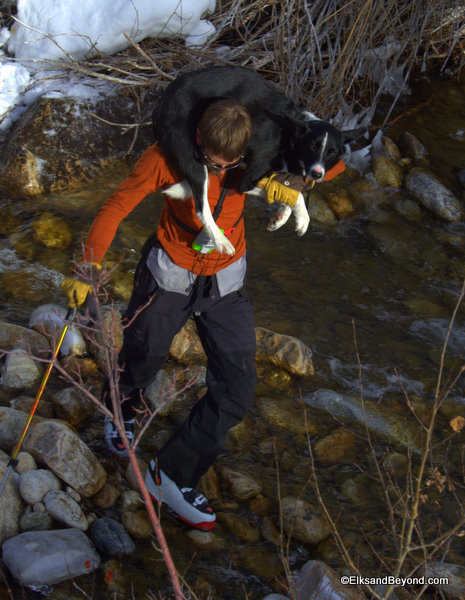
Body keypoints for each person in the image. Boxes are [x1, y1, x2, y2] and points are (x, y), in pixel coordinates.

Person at [61, 99, 257, 531]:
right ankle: (122, 407)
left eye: (231, 164)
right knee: (144, 355)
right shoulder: (164, 157)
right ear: (199, 138)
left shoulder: (260, 155)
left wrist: (299, 182)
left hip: (226, 282)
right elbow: (116, 207)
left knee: (239, 388)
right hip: (170, 271)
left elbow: (329, 161)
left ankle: (169, 474)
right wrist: (88, 265)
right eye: (212, 162)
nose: (221, 170)